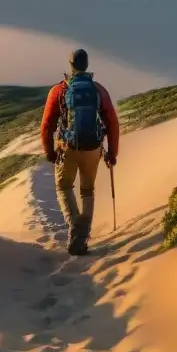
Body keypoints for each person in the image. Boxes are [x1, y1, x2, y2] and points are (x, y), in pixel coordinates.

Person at [40, 48, 120, 255]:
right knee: (87, 190)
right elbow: (112, 123)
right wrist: (112, 153)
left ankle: (75, 225)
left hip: (67, 148)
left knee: (63, 186)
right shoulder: (98, 90)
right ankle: (82, 236)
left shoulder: (59, 91)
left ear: (70, 64)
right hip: (93, 148)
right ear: (87, 65)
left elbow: (47, 125)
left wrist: (49, 151)